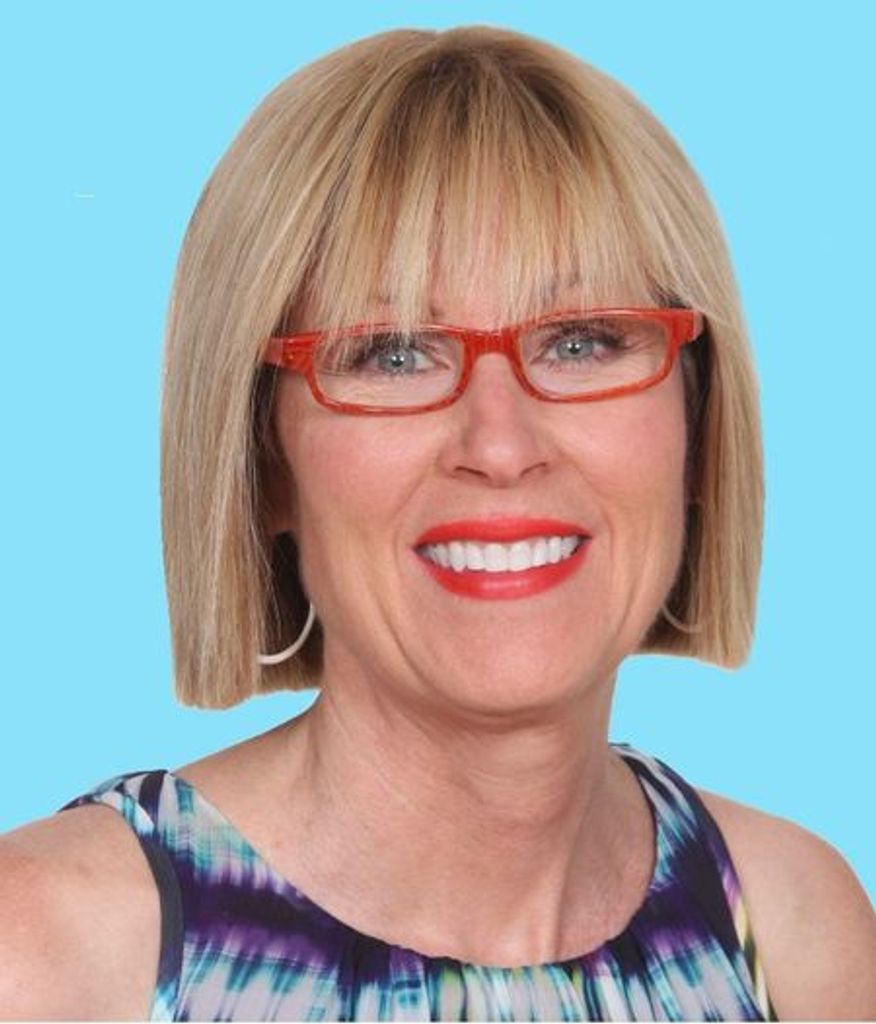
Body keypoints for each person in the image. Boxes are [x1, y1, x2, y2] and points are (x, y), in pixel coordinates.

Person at [1, 25, 874, 1022]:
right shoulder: (51, 956)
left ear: (698, 416)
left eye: (583, 340)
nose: (500, 444)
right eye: (393, 353)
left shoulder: (793, 929)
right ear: (262, 459)